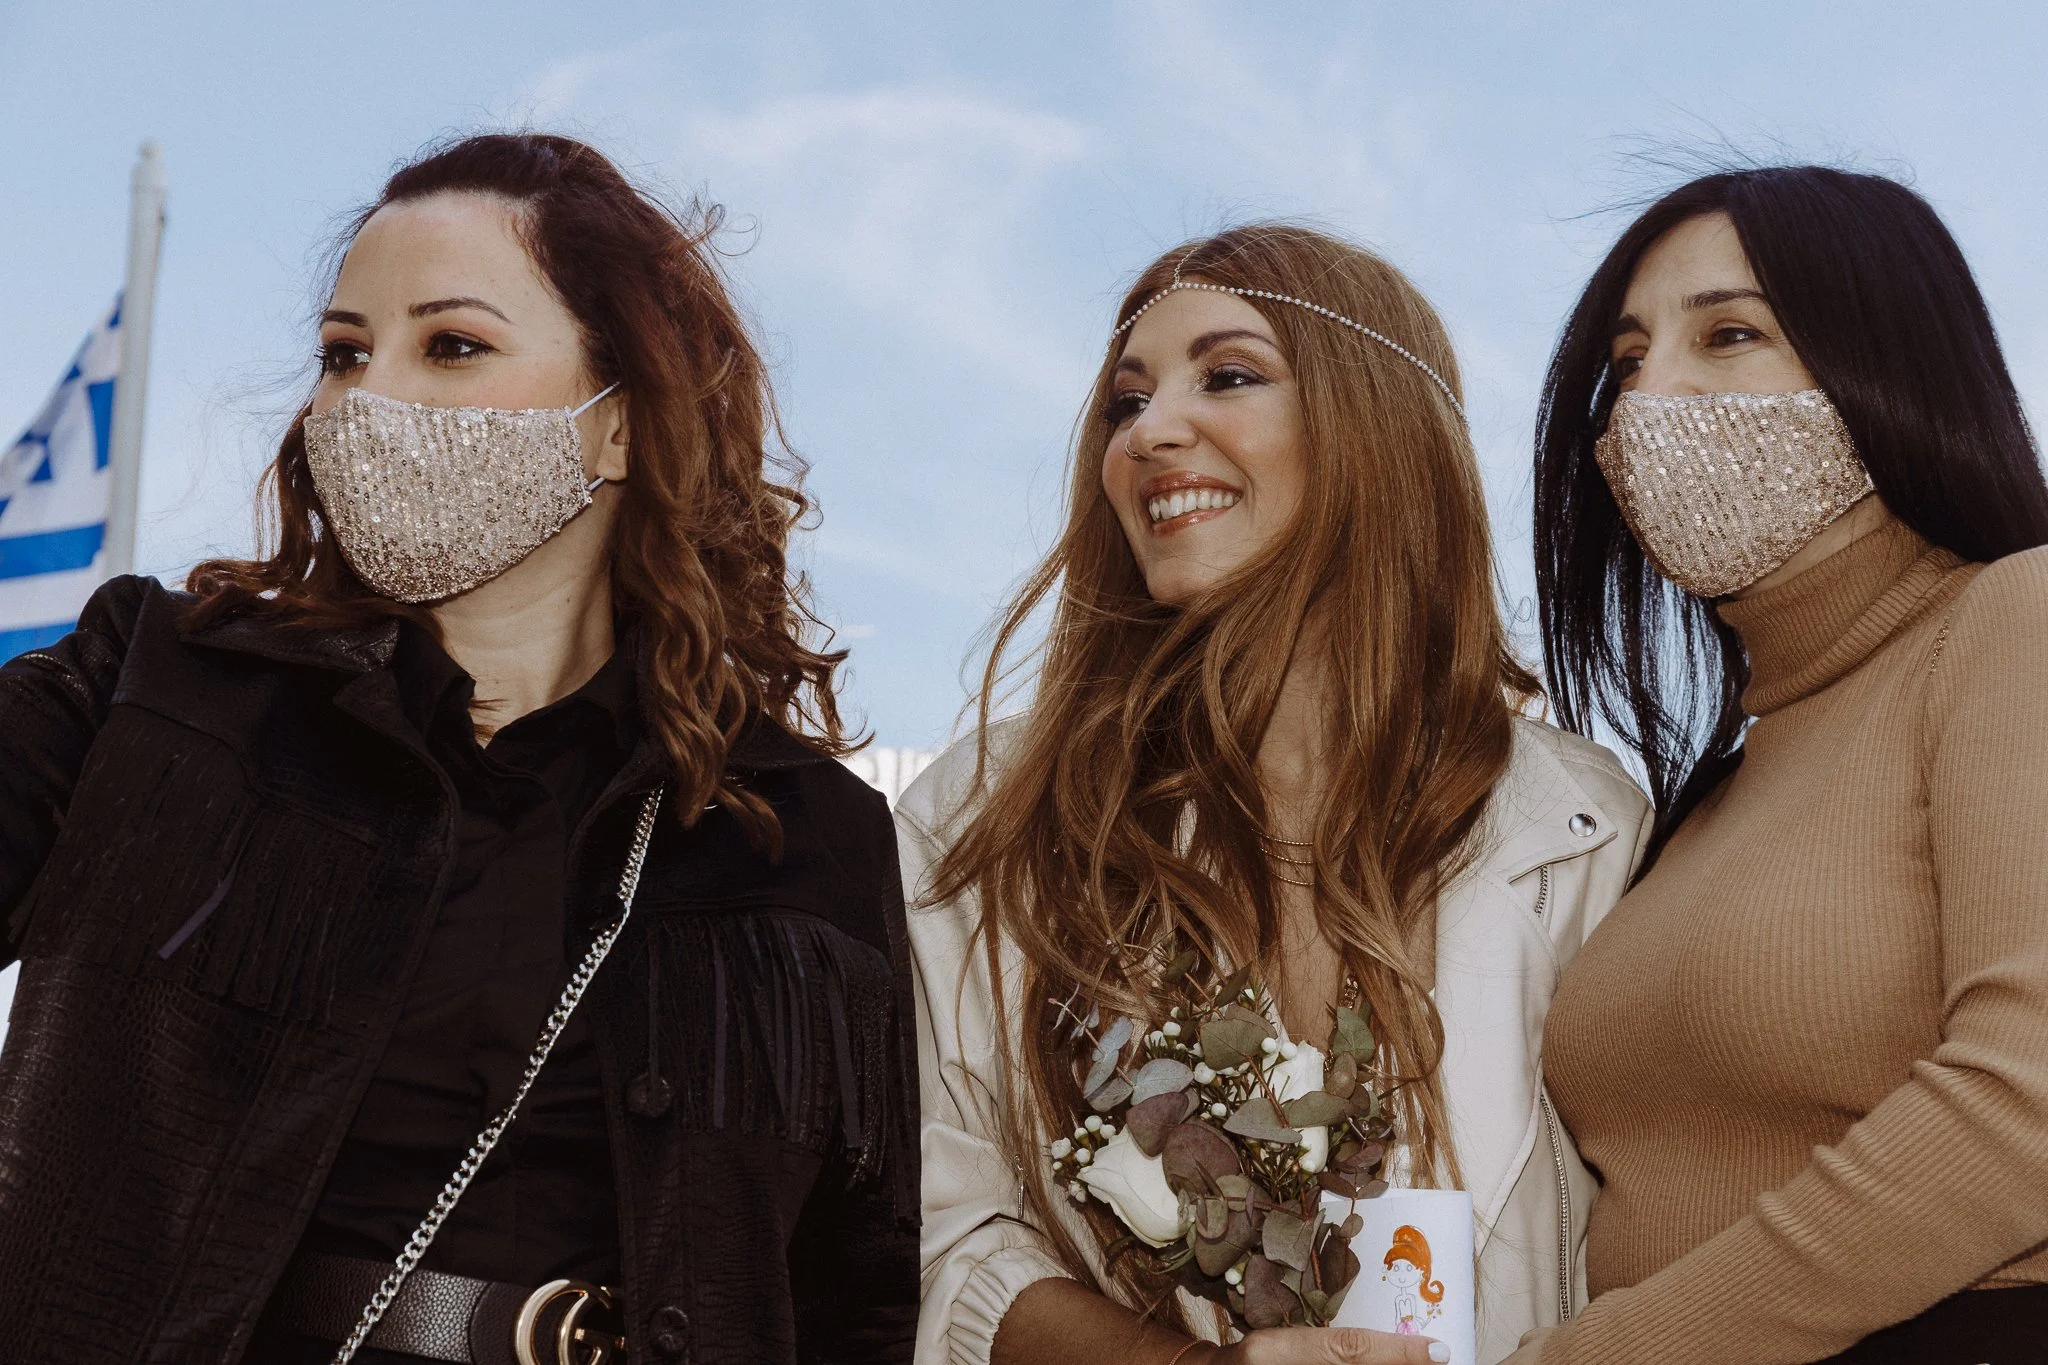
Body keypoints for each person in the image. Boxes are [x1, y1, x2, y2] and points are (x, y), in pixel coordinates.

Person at [0, 133, 917, 1365]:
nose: (366, 399)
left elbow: (859, 1295)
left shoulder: (806, 830)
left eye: (451, 346)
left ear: (621, 426)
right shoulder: (156, 686)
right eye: (344, 354)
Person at [902, 225, 1651, 1365]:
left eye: (1228, 376)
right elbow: (935, 1233)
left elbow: (1668, 1219)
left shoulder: (1583, 825)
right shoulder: (987, 818)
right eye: (1126, 402)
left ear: (1376, 426)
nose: (1148, 432)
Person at [1523, 166, 2048, 1364]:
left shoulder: (2013, 619)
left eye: (1728, 334)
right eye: (1626, 361)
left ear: (1888, 362)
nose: (1650, 397)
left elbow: (2026, 1102)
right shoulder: (1711, 792)